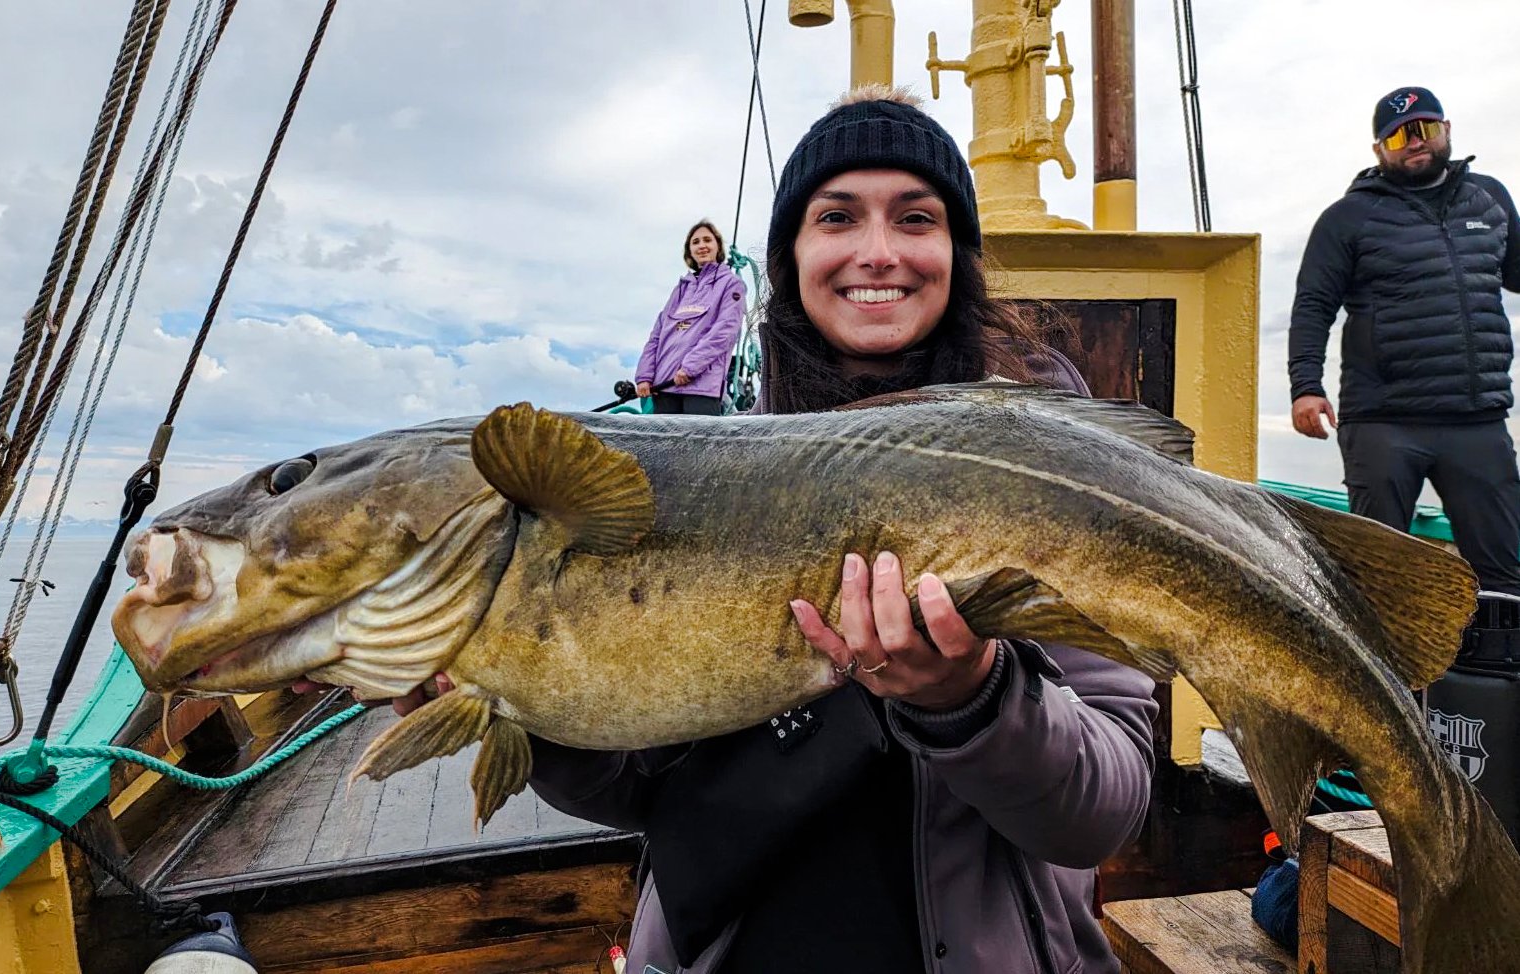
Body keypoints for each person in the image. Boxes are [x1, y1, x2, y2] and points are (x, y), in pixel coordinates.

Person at [515, 86, 1155, 974]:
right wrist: (521, 702)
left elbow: (1103, 809)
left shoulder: (1062, 475)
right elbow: (634, 786)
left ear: (956, 252)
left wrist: (973, 698)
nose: (877, 251)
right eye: (837, 216)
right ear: (790, 255)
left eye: (916, 217)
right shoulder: (704, 475)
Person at [1288, 86, 1520, 595]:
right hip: (1384, 424)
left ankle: (1495, 673)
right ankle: (1391, 679)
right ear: (1379, 150)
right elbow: (1313, 306)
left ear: (1447, 131)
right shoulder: (1347, 218)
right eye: (1397, 134)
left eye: (1425, 128)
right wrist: (1305, 386)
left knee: (1505, 577)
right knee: (1380, 584)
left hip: (1477, 421)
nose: (1413, 141)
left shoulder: (1492, 199)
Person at [634, 220, 749, 415]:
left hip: (701, 387)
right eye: (695, 242)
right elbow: (657, 334)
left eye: (707, 240)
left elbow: (725, 331)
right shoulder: (680, 289)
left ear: (718, 247)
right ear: (689, 251)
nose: (702, 245)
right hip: (664, 385)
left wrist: (690, 368)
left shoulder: (731, 284)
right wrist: (644, 376)